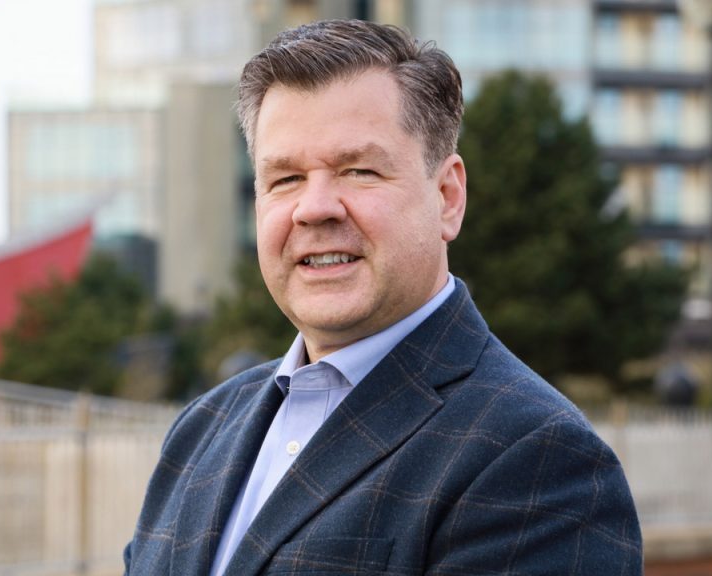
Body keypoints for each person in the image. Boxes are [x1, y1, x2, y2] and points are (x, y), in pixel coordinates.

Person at [125, 19, 642, 575]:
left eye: (358, 171)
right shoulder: (199, 431)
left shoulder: (538, 459)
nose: (314, 208)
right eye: (285, 179)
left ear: (448, 197)